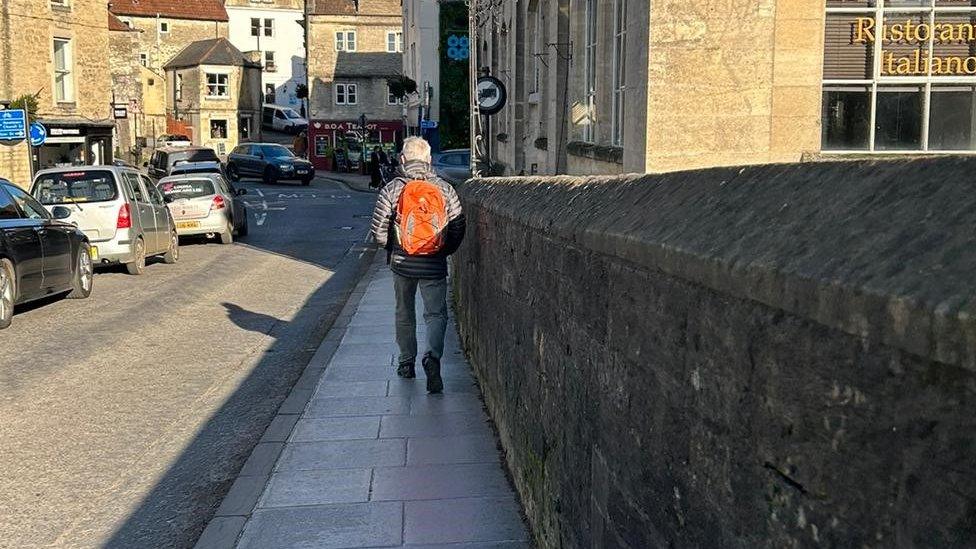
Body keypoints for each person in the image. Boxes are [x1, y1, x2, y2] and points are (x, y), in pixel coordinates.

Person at [370, 137, 466, 394]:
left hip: (402, 264)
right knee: (435, 314)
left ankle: (406, 363)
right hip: (433, 263)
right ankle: (431, 357)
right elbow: (457, 226)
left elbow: (378, 230)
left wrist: (392, 249)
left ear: (402, 159)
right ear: (429, 160)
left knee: (404, 312)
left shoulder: (392, 189)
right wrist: (442, 251)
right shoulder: (444, 188)